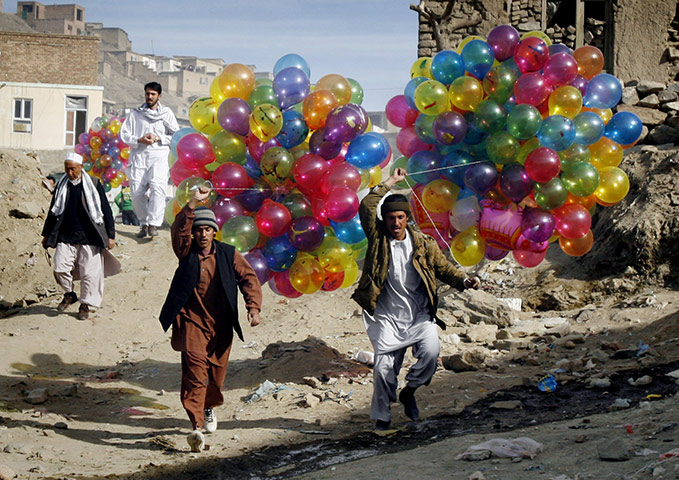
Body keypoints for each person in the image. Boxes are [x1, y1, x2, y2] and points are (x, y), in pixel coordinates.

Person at [352, 168, 480, 431]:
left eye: (400, 217)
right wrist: (390, 182)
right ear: (384, 220)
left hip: (419, 315)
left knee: (431, 353)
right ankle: (382, 418)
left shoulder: (424, 243)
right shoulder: (377, 240)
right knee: (383, 371)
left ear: (407, 218)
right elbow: (367, 205)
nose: (395, 223)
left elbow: (445, 269)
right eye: (390, 218)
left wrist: (464, 281)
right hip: (386, 317)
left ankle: (409, 391)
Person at [159, 186, 262, 452]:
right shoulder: (186, 252)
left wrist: (253, 308)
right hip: (190, 321)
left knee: (215, 376)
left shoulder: (228, 254)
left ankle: (208, 408)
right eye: (198, 230)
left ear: (214, 232)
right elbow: (178, 230)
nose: (202, 235)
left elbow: (249, 278)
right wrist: (193, 202)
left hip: (220, 325)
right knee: (194, 373)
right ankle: (195, 426)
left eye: (207, 230)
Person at [42, 152, 118, 320]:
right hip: (66, 236)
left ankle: (85, 305)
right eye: (67, 169)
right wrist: (46, 234)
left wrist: (110, 235)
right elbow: (53, 211)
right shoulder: (62, 186)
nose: (70, 173)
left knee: (89, 274)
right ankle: (69, 294)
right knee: (60, 268)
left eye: (73, 169)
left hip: (89, 237)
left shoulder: (94, 184)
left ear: (81, 167)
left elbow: (105, 210)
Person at [120, 81, 179, 239]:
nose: (150, 96)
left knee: (158, 188)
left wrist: (158, 137)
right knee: (136, 193)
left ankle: (153, 224)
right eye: (148, 93)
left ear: (159, 96)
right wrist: (140, 139)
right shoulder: (135, 114)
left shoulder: (166, 114)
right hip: (139, 156)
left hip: (159, 156)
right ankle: (144, 223)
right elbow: (124, 135)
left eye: (153, 94)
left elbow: (176, 135)